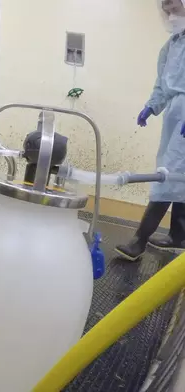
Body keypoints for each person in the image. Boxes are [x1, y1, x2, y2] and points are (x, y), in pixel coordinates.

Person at [115, 0, 185, 261]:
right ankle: (179, 235)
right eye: (166, 10)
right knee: (180, 174)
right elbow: (162, 86)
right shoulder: (171, 46)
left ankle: (139, 240)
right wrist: (151, 107)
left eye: (175, 8)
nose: (170, 14)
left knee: (168, 174)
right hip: (175, 115)